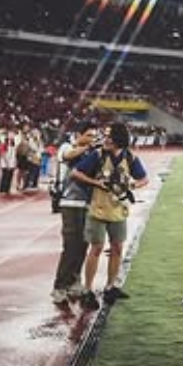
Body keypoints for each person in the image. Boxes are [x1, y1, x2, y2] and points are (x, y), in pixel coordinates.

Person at [71, 122, 148, 308]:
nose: (105, 139)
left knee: (117, 249)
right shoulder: (97, 155)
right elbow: (75, 173)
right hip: (97, 209)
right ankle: (88, 290)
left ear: (118, 140)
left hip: (118, 210)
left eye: (109, 136)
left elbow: (144, 179)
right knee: (96, 249)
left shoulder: (130, 157)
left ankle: (110, 287)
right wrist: (97, 183)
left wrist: (131, 186)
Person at [49, 122, 99, 315]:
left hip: (87, 204)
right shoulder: (67, 146)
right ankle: (59, 287)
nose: (92, 139)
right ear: (79, 135)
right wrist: (88, 148)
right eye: (89, 135)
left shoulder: (90, 152)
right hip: (69, 204)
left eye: (94, 136)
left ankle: (74, 282)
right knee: (70, 246)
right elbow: (68, 156)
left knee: (83, 245)